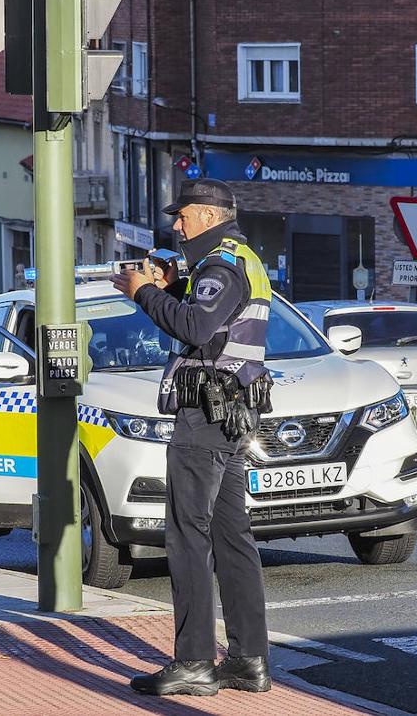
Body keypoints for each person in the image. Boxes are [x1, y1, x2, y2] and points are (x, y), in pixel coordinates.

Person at [110, 178, 273, 698]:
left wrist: (145, 293)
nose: (175, 225)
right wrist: (175, 284)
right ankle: (248, 661)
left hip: (205, 417)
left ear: (206, 215)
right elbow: (217, 322)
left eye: (180, 216)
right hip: (229, 416)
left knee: (186, 536)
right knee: (231, 538)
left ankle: (195, 661)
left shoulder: (221, 265)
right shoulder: (237, 259)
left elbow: (198, 329)